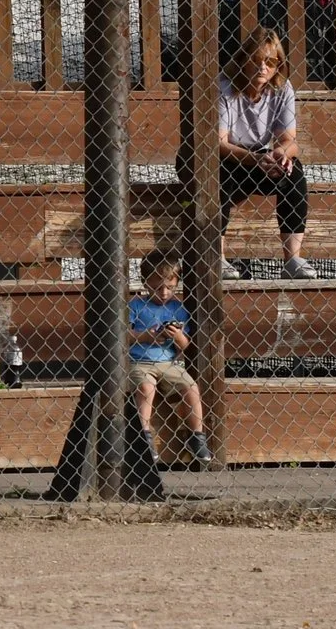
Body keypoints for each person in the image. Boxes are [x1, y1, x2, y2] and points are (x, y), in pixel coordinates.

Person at [219, 26, 317, 279]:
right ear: (243, 59)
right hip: (224, 157)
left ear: (278, 65)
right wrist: (255, 159)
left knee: (294, 172)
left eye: (270, 61)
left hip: (258, 157)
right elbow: (218, 143)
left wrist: (281, 154)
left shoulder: (282, 89)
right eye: (255, 60)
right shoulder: (224, 87)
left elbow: (290, 140)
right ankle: (215, 258)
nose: (263, 67)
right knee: (215, 175)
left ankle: (292, 260)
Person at [129, 248, 211, 469]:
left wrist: (177, 336)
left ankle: (197, 436)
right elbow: (124, 335)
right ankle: (144, 437)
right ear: (146, 283)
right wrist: (146, 336)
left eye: (170, 287)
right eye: (157, 288)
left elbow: (186, 345)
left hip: (168, 363)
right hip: (139, 361)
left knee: (191, 387)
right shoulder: (136, 305)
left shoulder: (179, 309)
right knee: (146, 388)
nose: (164, 293)